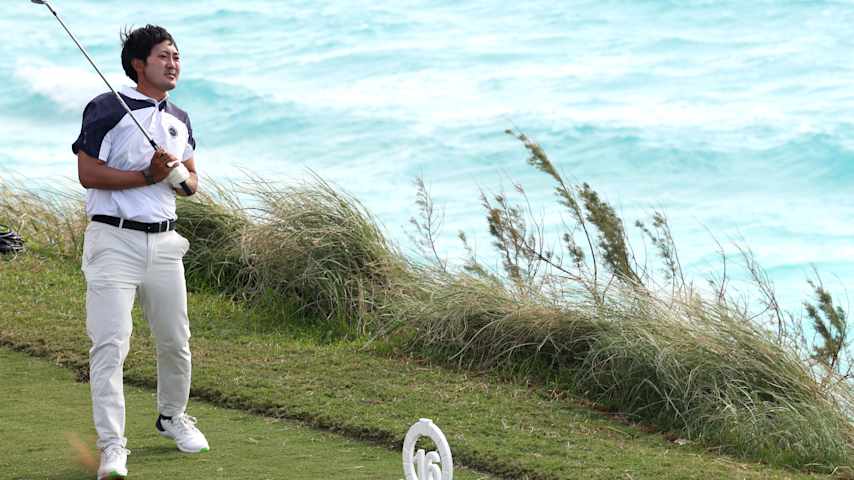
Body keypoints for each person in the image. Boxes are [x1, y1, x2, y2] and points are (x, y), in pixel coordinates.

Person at [72, 24, 209, 480]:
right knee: (111, 346)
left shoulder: (180, 118)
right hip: (113, 241)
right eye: (164, 56)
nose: (173, 64)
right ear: (139, 63)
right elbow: (88, 174)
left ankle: (173, 417)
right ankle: (113, 446)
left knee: (176, 342)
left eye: (177, 56)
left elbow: (191, 184)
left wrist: (174, 178)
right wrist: (147, 177)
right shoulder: (107, 108)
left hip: (166, 244)